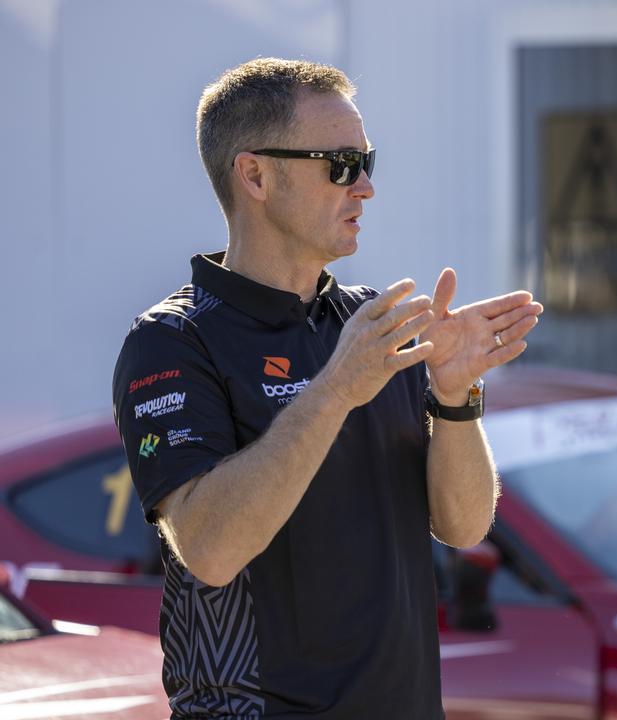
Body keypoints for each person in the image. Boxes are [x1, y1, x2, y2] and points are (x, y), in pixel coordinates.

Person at [111, 58, 542, 718]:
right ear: (254, 174)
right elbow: (210, 548)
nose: (365, 186)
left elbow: (462, 525)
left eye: (368, 160)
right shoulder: (173, 341)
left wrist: (455, 398)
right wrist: (334, 390)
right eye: (339, 164)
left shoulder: (372, 324)